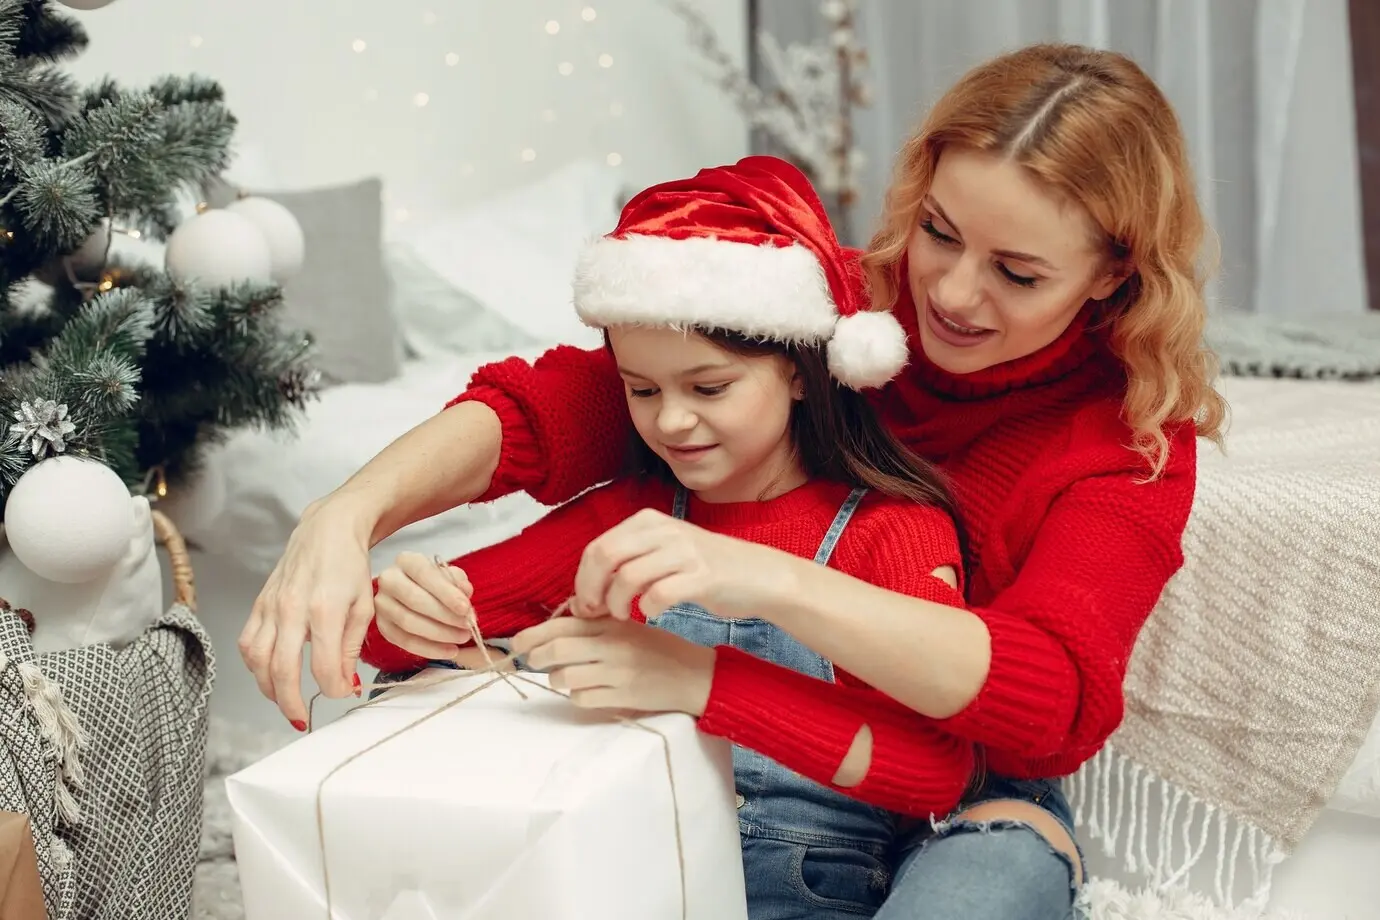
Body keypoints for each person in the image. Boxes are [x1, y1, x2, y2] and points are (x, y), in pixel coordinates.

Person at [241, 42, 1227, 919]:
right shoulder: (814, 305)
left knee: (992, 874)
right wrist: (348, 514)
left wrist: (755, 581)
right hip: (708, 781)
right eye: (938, 231)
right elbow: (570, 405)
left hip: (960, 783)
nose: (952, 293)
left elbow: (1043, 702)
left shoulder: (1131, 440)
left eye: (1017, 273)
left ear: (1111, 273)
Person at [359, 156, 975, 918]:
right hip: (623, 868)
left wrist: (703, 683)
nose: (671, 422)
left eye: (708, 387)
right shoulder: (628, 518)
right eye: (641, 390)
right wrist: (407, 608)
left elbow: (934, 772)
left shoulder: (895, 531)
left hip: (805, 891)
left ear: (800, 372)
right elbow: (391, 642)